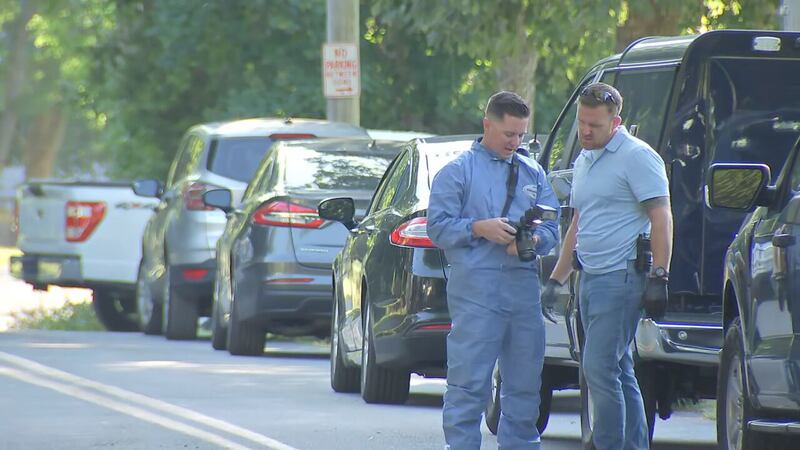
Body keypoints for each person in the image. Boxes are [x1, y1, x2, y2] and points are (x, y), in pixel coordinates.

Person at [541, 82, 673, 450]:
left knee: (599, 368)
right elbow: (580, 222)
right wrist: (557, 278)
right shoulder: (585, 159)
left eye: (594, 125)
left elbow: (661, 217)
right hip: (590, 278)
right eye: (581, 122)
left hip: (622, 277)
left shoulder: (637, 157)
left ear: (616, 122)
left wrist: (660, 275)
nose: (585, 131)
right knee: (619, 369)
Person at [427, 91, 560, 449]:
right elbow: (436, 227)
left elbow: (553, 225)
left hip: (522, 289)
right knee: (469, 382)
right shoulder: (458, 172)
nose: (515, 142)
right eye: (508, 134)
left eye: (521, 135)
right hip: (476, 290)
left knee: (525, 384)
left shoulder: (532, 171)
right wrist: (478, 228)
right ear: (488, 124)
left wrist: (532, 241)